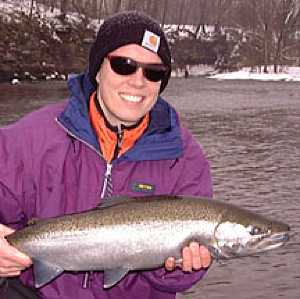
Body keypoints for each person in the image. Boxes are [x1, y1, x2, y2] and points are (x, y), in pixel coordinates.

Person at [0, 11, 213, 299]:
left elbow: (177, 279)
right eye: (124, 65)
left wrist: (179, 268)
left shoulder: (185, 158)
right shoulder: (29, 138)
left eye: (154, 72)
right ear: (98, 69)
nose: (138, 81)